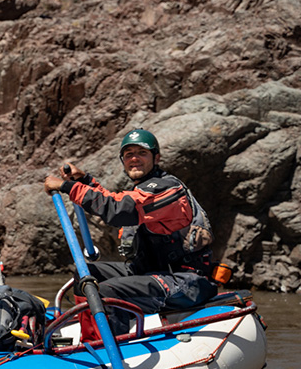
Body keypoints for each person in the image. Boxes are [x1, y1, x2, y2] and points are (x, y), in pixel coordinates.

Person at [43, 127, 217, 338]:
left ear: (157, 157)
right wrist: (86, 180)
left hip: (185, 281)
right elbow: (114, 199)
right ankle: (90, 337)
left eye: (142, 153)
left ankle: (108, 348)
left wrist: (67, 186)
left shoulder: (168, 190)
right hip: (150, 272)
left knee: (108, 291)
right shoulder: (143, 190)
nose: (134, 159)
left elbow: (118, 209)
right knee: (85, 274)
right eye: (129, 155)